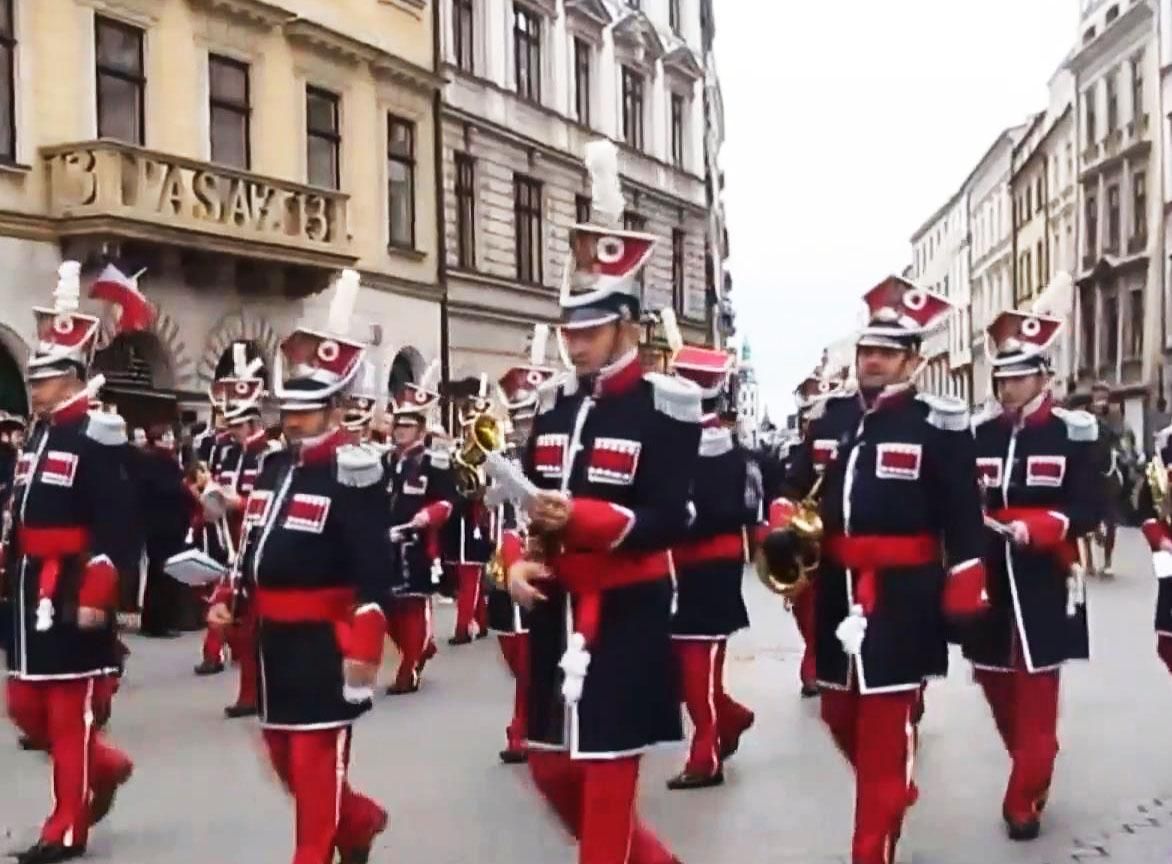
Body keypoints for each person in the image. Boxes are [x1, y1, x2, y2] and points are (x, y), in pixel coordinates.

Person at [506, 138, 699, 864]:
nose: (575, 344)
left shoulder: (666, 408)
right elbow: (523, 500)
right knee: (552, 766)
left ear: (625, 326)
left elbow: (670, 516)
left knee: (610, 779)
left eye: (589, 331)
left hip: (628, 614)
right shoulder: (553, 406)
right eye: (568, 330)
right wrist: (517, 564)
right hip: (557, 611)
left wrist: (582, 518)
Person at [782, 275, 987, 864]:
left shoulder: (936, 424)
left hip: (904, 595)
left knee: (883, 720)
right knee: (836, 710)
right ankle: (894, 781)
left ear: (912, 361)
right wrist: (780, 520)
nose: (871, 361)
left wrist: (966, 580)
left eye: (885, 353)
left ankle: (872, 848)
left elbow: (963, 514)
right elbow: (796, 480)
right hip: (836, 588)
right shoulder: (832, 415)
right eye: (865, 351)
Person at [207, 269, 391, 864]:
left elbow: (374, 566)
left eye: (306, 413)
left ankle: (313, 852)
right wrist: (230, 593)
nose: (293, 423)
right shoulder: (275, 468)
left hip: (323, 640)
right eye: (289, 413)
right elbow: (253, 540)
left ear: (334, 412)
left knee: (316, 764)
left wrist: (365, 643)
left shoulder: (354, 471)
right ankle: (358, 820)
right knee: (283, 753)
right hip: (272, 639)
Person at [3, 262, 139, 864]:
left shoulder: (97, 435)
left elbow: (116, 520)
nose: (36, 387)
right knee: (26, 705)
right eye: (34, 378)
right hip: (30, 584)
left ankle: (67, 825)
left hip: (72, 583)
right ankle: (104, 766)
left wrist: (97, 590)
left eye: (48, 377)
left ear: (76, 378)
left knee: (65, 710)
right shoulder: (38, 436)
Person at [965, 311, 1099, 841]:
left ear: (1043, 376)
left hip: (1046, 574)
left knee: (1038, 686)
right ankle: (1034, 756)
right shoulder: (978, 433)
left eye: (1017, 378)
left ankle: (1024, 797)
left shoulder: (1073, 432)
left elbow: (1090, 505)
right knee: (995, 682)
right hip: (991, 575)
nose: (1006, 388)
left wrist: (1040, 525)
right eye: (999, 379)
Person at [663, 339, 757, 790]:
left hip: (709, 573)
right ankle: (732, 719)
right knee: (683, 671)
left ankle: (706, 756)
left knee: (699, 672)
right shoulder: (672, 440)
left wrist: (679, 513)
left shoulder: (727, 449)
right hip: (675, 570)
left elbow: (732, 511)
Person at [487, 327, 557, 764]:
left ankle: (525, 728)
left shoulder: (559, 452)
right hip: (508, 553)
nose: (523, 427)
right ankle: (530, 719)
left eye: (530, 418)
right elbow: (482, 499)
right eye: (518, 418)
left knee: (536, 652)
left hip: (545, 555)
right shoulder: (508, 453)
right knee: (514, 650)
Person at [383, 361, 454, 694]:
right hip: (386, 542)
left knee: (413, 605)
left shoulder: (433, 461)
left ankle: (409, 668)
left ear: (421, 428)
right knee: (386, 607)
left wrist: (426, 517)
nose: (400, 431)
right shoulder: (384, 460)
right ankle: (418, 647)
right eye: (397, 425)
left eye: (407, 426)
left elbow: (447, 500)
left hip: (417, 543)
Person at [211, 354, 273, 716]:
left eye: (237, 425)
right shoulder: (228, 451)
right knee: (235, 621)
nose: (230, 431)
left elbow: (269, 502)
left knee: (254, 625)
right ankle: (250, 691)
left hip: (256, 543)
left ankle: (256, 692)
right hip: (229, 539)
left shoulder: (269, 455)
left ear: (252, 423)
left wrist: (240, 502)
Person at [444, 379, 495, 645]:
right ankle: (482, 621)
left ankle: (463, 628)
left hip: (476, 516)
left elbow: (484, 485)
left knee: (470, 573)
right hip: (460, 517)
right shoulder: (460, 449)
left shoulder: (490, 450)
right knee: (463, 573)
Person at [1138, 424, 1172, 675]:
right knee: (1168, 642)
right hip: (1169, 553)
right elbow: (1146, 508)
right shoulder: (1166, 445)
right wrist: (1159, 540)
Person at [1085, 381, 1122, 577]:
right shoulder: (1086, 415)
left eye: (1103, 396)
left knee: (1111, 519)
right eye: (1097, 395)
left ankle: (1108, 561)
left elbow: (1120, 436)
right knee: (1086, 517)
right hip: (1090, 472)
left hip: (1109, 470)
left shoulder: (1114, 416)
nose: (1100, 400)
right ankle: (1089, 561)